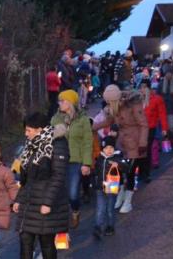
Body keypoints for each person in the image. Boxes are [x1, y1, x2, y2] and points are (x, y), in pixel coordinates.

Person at [5, 112, 71, 259]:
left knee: (46, 241)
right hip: (30, 200)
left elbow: (58, 177)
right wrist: (18, 199)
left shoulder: (58, 145)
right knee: (25, 239)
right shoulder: (31, 146)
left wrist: (47, 202)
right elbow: (26, 179)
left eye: (29, 130)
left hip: (48, 201)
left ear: (40, 130)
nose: (26, 134)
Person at [96, 84, 148, 214]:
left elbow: (143, 124)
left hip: (135, 142)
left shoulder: (133, 105)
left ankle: (128, 200)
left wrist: (143, 142)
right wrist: (92, 126)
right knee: (119, 171)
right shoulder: (114, 107)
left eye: (109, 101)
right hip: (122, 142)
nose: (108, 104)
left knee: (129, 172)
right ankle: (121, 195)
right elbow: (108, 121)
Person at [50, 89, 93, 228]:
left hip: (76, 161)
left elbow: (88, 142)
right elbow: (49, 138)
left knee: (73, 194)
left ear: (70, 103)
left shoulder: (83, 119)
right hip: (58, 160)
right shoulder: (56, 119)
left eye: (63, 101)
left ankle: (75, 210)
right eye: (59, 101)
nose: (60, 103)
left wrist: (86, 163)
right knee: (59, 193)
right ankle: (61, 220)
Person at [92, 136, 129, 239]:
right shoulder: (100, 158)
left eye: (111, 148)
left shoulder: (118, 157)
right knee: (100, 208)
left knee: (109, 208)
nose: (109, 150)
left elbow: (127, 167)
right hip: (100, 188)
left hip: (112, 187)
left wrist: (119, 165)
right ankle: (98, 227)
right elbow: (96, 172)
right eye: (106, 148)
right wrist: (93, 182)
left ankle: (110, 226)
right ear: (103, 148)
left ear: (114, 149)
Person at [142, 81, 169, 178]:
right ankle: (143, 168)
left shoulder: (157, 99)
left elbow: (162, 114)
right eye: (141, 88)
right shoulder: (138, 100)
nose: (142, 90)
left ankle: (147, 169)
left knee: (148, 148)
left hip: (151, 127)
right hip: (140, 128)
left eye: (144, 87)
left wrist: (164, 128)